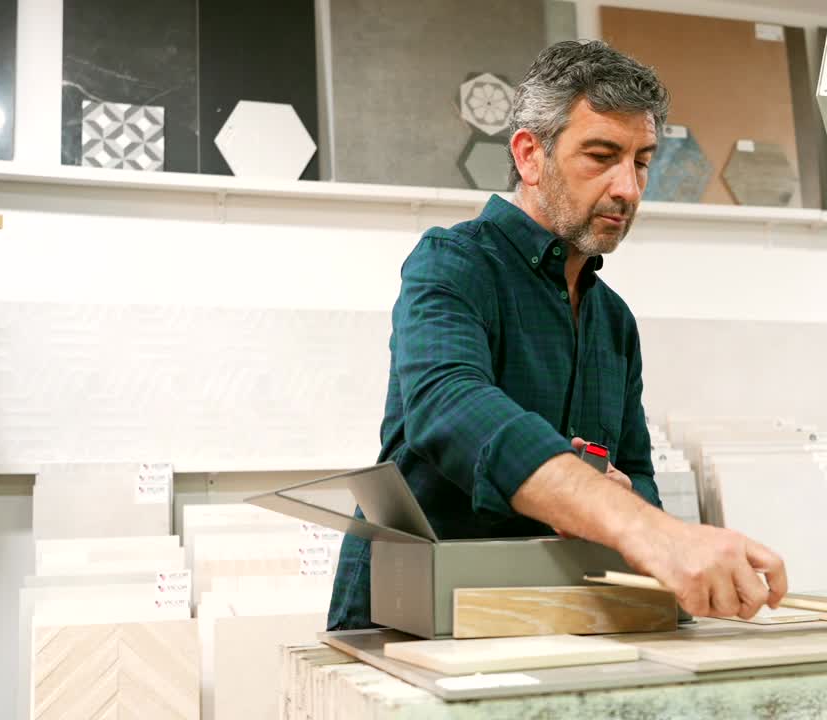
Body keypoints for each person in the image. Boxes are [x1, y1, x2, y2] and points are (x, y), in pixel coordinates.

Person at [328, 40, 788, 630]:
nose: (629, 188)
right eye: (602, 155)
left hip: (543, 611)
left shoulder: (612, 319)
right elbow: (451, 406)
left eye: (642, 160)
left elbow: (635, 471)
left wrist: (626, 500)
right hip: (413, 614)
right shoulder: (454, 263)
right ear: (529, 155)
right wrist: (640, 524)